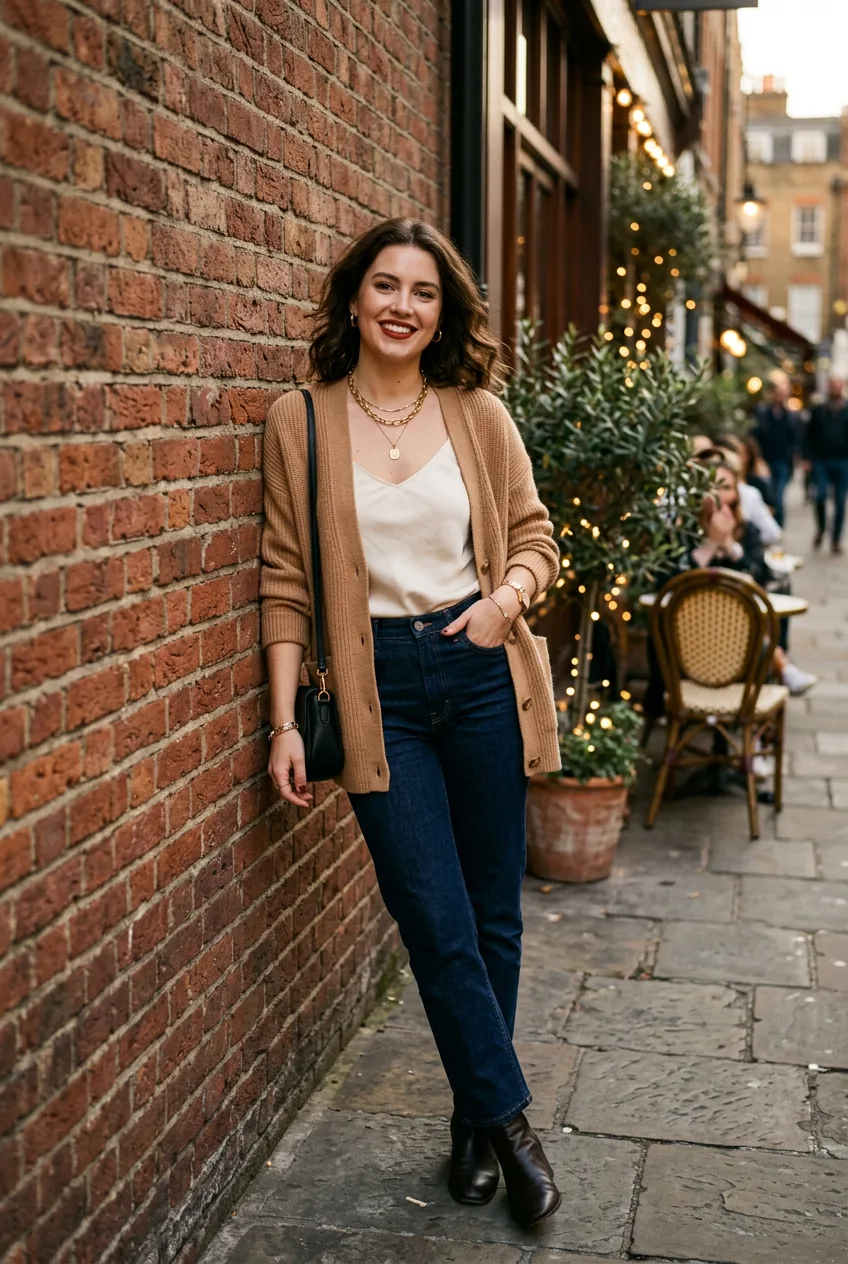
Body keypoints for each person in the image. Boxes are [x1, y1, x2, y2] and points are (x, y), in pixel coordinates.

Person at [259, 219, 563, 1228]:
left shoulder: (477, 414)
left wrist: (502, 605)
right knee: (431, 916)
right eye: (383, 286)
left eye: (422, 292)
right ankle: (511, 1123)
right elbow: (286, 583)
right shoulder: (297, 421)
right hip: (371, 686)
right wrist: (284, 721)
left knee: (490, 917)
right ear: (353, 299)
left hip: (476, 669)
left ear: (443, 312)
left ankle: (471, 1124)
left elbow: (533, 538)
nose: (401, 305)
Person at [805, 376, 848, 554]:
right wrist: (807, 457)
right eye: (833, 385)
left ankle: (836, 539)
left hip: (843, 460)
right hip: (821, 460)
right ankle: (821, 527)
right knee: (820, 496)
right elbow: (808, 434)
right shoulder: (819, 410)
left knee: (839, 501)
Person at [751, 373, 799, 528]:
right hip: (766, 459)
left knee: (778, 496)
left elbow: (796, 438)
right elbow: (755, 435)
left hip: (782, 461)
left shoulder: (791, 416)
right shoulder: (762, 413)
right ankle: (769, 527)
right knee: (767, 494)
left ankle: (777, 528)